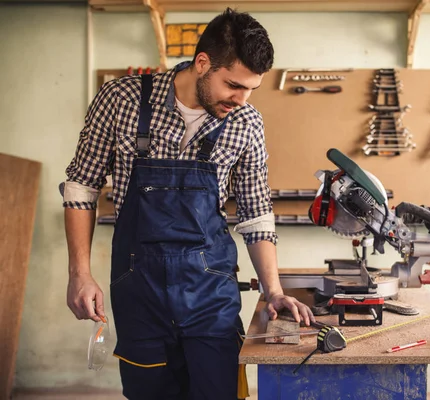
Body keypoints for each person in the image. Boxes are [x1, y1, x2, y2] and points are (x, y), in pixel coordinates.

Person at [61, 8, 314, 399]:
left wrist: (274, 289)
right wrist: (79, 273)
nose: (241, 99)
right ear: (202, 63)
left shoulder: (246, 123)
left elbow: (256, 213)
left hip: (210, 294)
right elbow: (81, 187)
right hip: (138, 291)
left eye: (250, 89)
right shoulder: (121, 99)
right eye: (233, 85)